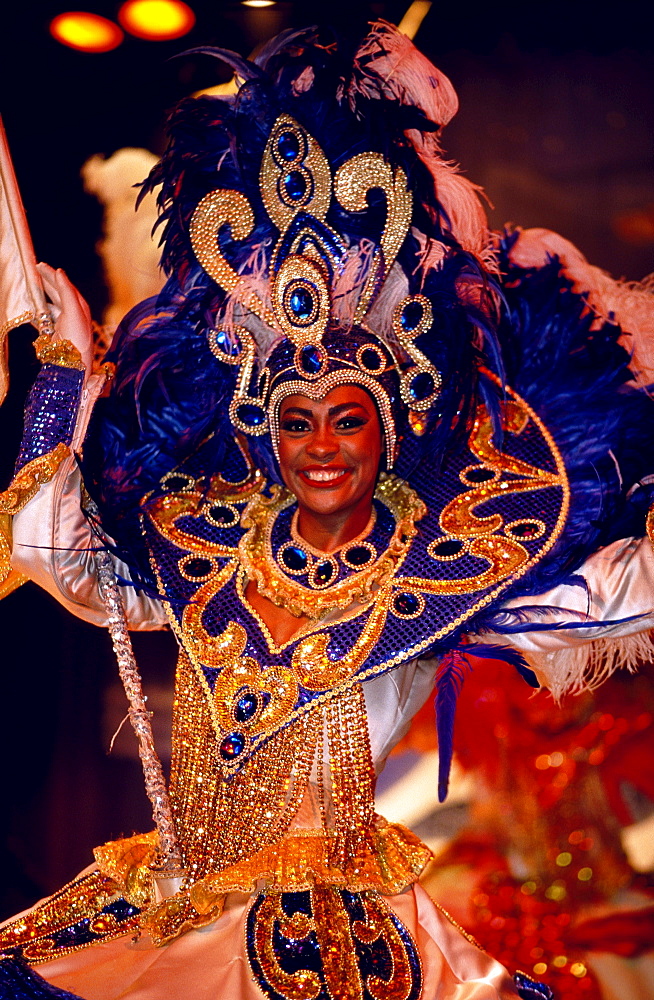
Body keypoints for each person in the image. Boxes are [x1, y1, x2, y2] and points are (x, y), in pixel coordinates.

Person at [1, 22, 653, 1000]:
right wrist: (62, 380)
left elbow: (607, 601)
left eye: (346, 418)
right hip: (174, 908)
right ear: (262, 427)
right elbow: (58, 551)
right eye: (295, 420)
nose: (319, 444)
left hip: (342, 944)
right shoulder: (205, 537)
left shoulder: (439, 555)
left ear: (388, 430)